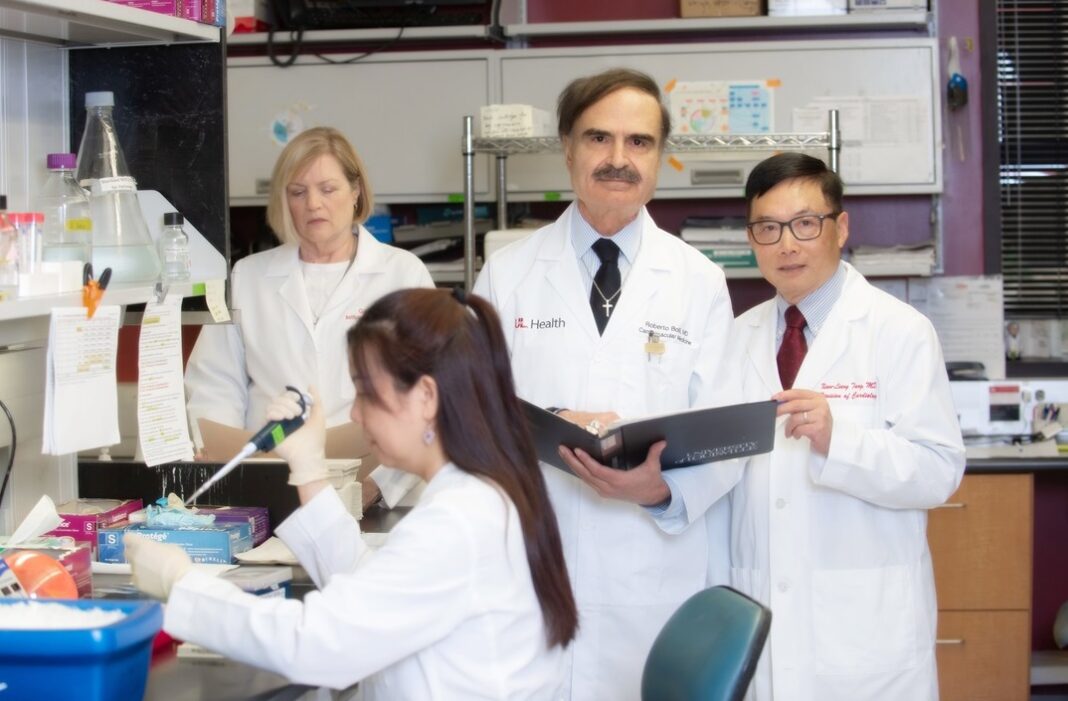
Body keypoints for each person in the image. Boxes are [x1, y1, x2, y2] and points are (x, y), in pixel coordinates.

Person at [125, 288, 579, 698]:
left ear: (425, 396)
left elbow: (317, 643)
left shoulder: (459, 521)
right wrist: (308, 468)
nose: (356, 415)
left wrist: (183, 585)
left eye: (365, 393)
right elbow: (369, 588)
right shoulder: (483, 492)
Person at [474, 68, 739, 700]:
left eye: (639, 142)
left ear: (660, 157)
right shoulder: (508, 272)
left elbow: (727, 436)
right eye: (599, 138)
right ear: (567, 148)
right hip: (534, 567)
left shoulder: (699, 281)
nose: (619, 160)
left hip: (649, 576)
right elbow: (469, 411)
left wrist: (660, 490)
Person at [727, 152, 966, 700]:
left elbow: (938, 471)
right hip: (758, 620)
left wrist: (842, 441)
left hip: (864, 633)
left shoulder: (899, 331)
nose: (787, 244)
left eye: (805, 224)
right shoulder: (734, 338)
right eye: (768, 228)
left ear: (841, 227)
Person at [185, 126, 432, 508]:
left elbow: (431, 397)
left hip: (377, 490)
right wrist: (232, 474)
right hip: (268, 489)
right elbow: (214, 386)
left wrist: (377, 487)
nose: (313, 203)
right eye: (298, 192)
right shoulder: (248, 276)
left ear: (356, 192)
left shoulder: (403, 274)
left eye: (328, 189)